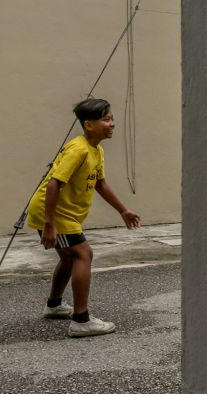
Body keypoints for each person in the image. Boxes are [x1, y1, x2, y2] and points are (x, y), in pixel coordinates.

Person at [25, 98, 141, 338]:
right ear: (88, 125)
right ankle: (81, 320)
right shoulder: (78, 149)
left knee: (69, 259)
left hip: (64, 214)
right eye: (105, 119)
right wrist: (49, 224)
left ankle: (54, 305)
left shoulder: (96, 150)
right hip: (56, 213)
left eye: (111, 119)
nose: (112, 124)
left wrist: (123, 210)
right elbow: (54, 183)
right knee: (83, 254)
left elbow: (100, 183)